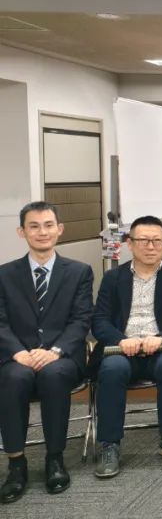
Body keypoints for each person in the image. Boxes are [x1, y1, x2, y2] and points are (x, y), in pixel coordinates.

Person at [0, 202, 92, 503]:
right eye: (34, 226)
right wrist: (17, 352)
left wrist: (55, 350)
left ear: (59, 229)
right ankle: (16, 464)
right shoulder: (4, 274)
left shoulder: (79, 272)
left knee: (53, 376)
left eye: (49, 225)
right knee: (13, 378)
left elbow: (81, 320)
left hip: (62, 356)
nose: (42, 232)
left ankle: (55, 459)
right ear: (22, 232)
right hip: (19, 356)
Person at [90, 215, 162, 478]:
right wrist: (119, 339)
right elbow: (99, 320)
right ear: (130, 244)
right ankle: (110, 445)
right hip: (121, 349)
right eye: (144, 240)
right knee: (111, 369)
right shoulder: (113, 278)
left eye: (157, 241)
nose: (151, 246)